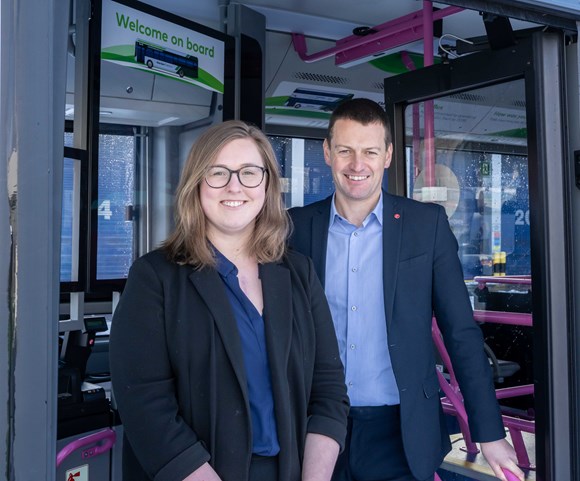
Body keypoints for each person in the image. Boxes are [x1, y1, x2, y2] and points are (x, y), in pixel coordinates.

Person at [288, 99, 524, 481]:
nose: (356, 164)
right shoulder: (294, 229)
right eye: (345, 150)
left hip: (402, 432)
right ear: (328, 152)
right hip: (313, 428)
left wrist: (490, 432)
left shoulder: (425, 225)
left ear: (388, 155)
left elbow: (460, 333)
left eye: (370, 151)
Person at [110, 120, 349, 481]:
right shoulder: (154, 278)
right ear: (197, 183)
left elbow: (329, 390)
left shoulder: (299, 273)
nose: (234, 186)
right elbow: (145, 407)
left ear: (267, 183)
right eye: (218, 172)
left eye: (249, 172)